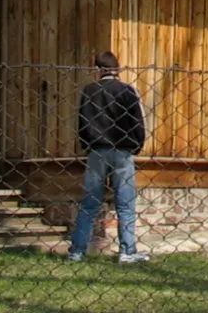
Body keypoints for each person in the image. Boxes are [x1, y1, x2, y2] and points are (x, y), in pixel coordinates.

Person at [66, 50, 148, 263]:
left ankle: (77, 250)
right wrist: (136, 146)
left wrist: (87, 145)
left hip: (97, 150)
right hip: (122, 150)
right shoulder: (127, 91)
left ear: (97, 69)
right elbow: (137, 121)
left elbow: (82, 122)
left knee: (90, 203)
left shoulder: (89, 91)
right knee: (125, 203)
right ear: (118, 69)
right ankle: (127, 251)